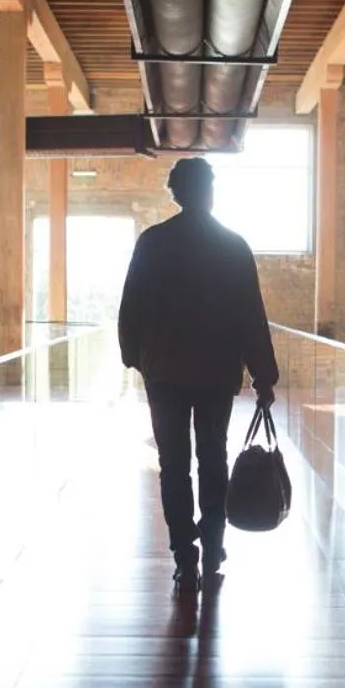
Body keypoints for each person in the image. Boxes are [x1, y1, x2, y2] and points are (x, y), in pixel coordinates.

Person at [118, 156, 279, 588]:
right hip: (215, 372)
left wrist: (135, 356)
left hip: (165, 372)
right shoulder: (232, 246)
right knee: (213, 459)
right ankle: (212, 547)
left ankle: (184, 557)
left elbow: (131, 305)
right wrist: (264, 375)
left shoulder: (152, 243)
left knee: (172, 465)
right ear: (209, 192)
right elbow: (251, 316)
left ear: (176, 193)